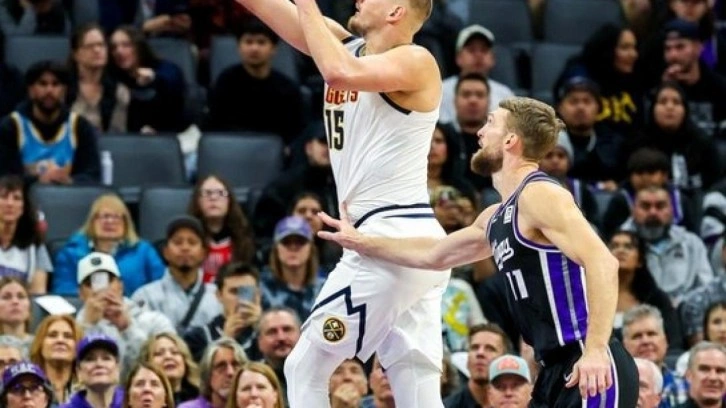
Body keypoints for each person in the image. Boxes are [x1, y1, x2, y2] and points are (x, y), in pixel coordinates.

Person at [319, 97, 639, 407]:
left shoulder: (539, 194)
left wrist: (595, 349)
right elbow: (434, 255)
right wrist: (362, 241)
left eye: (490, 123)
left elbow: (603, 262)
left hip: (586, 357)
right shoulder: (495, 216)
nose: (480, 132)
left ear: (511, 140)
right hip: (552, 368)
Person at [237, 0, 447, 405]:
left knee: (305, 367)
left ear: (396, 11)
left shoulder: (417, 61)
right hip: (404, 244)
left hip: (390, 236)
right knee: (414, 383)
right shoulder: (344, 46)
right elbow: (267, 8)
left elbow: (338, 72)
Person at [52, 194, 165, 297]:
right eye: (104, 216)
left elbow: (160, 288)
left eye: (116, 217)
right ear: (92, 221)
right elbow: (64, 291)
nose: (110, 222)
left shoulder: (144, 251)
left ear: (126, 223)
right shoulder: (71, 253)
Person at [0, 175, 52, 293]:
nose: (10, 203)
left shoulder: (35, 245)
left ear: (24, 207)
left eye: (17, 198)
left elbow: (38, 292)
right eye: (3, 197)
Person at [29, 315, 83, 404]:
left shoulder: (90, 391)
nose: (60, 340)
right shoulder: (27, 390)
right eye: (52, 335)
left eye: (68, 336)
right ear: (40, 345)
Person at [62, 334, 124, 408]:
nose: (99, 364)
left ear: (118, 368)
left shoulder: (132, 402)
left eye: (106, 358)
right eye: (90, 359)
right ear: (78, 372)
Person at [139, 333, 200, 405]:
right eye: (159, 353)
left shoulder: (203, 398)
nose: (168, 357)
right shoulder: (141, 401)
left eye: (175, 352)